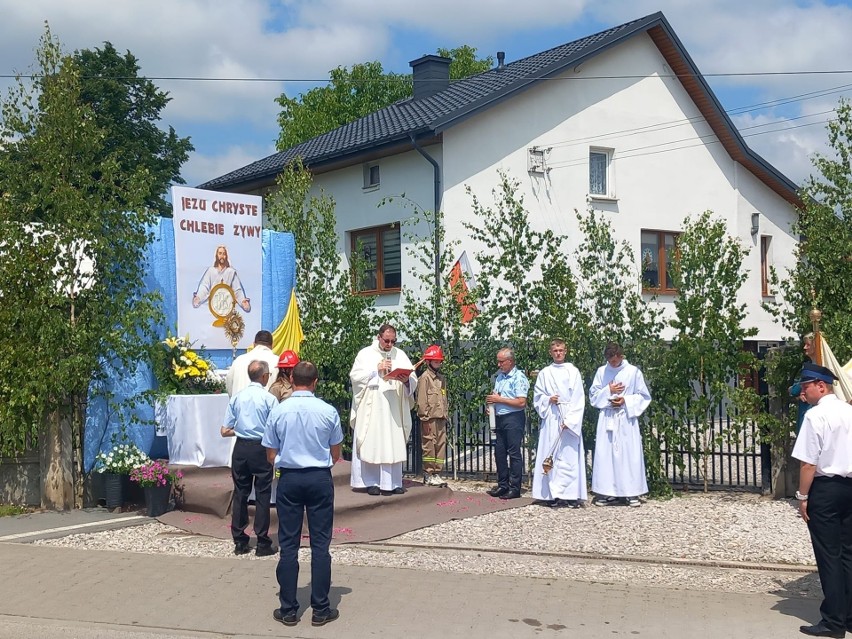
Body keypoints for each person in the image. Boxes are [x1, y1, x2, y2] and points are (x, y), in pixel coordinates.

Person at [263, 361, 343, 628]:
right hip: (319, 477)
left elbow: (270, 453)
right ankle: (320, 607)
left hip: (290, 477)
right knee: (320, 544)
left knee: (288, 543)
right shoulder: (328, 411)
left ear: (292, 379)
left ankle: (288, 609)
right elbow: (336, 453)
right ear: (315, 382)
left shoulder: (279, 410)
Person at [791, 362, 852, 638]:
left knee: (829, 556)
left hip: (826, 489)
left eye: (806, 387)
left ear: (821, 386)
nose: (804, 393)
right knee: (848, 554)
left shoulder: (816, 417)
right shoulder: (849, 411)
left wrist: (803, 497)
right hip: (850, 486)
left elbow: (808, 464)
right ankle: (849, 616)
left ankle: (833, 621)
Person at [349, 323, 417, 495]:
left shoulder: (399, 354)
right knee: (373, 442)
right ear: (379, 337)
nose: (390, 345)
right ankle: (371, 482)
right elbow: (355, 377)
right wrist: (375, 370)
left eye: (393, 341)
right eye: (387, 340)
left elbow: (413, 377)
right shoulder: (365, 354)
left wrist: (406, 380)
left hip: (393, 407)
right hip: (372, 407)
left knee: (391, 442)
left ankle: (392, 482)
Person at [220, 360, 277, 557]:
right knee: (262, 494)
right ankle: (262, 541)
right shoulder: (269, 399)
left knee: (241, 493)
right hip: (261, 447)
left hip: (241, 446)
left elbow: (224, 430)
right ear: (263, 376)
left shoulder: (237, 398)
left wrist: (242, 429)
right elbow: (275, 427)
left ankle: (239, 540)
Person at [589, 342, 651, 507]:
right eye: (610, 362)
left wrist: (625, 401)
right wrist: (608, 390)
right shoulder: (602, 372)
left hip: (625, 419)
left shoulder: (633, 372)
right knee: (606, 456)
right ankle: (607, 492)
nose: (612, 365)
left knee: (628, 456)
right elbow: (593, 396)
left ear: (621, 356)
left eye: (615, 361)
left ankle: (631, 493)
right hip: (608, 417)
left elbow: (644, 396)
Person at [532, 339, 586, 508]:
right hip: (552, 417)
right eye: (555, 350)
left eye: (561, 350)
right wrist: (548, 399)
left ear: (566, 351)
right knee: (552, 455)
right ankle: (553, 494)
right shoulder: (545, 373)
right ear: (550, 352)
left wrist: (570, 420)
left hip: (568, 419)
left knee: (569, 457)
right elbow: (537, 396)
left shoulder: (573, 371)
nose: (558, 353)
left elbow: (579, 398)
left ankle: (570, 495)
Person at [486, 348, 530, 500]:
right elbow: (496, 396)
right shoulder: (499, 378)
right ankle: (502, 484)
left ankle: (515, 487)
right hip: (499, 417)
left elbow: (521, 402)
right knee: (499, 452)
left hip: (513, 418)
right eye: (498, 361)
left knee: (514, 453)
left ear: (510, 361)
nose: (499, 365)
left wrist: (500, 400)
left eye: (501, 362)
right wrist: (492, 407)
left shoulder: (519, 377)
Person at [416, 345, 449, 487]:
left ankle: (437, 473)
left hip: (441, 417)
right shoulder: (425, 378)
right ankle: (428, 474)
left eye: (440, 361)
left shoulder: (441, 379)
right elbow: (422, 400)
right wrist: (424, 419)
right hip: (429, 419)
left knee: (440, 445)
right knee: (429, 445)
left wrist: (446, 414)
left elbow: (444, 398)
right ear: (428, 362)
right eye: (436, 361)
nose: (439, 364)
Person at [192, 244, 251, 312]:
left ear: (226, 256)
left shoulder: (231, 272)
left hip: (226, 307)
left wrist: (243, 302)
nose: (222, 256)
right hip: (212, 306)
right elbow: (204, 286)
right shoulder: (211, 271)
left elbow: (237, 290)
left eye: (224, 254)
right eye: (220, 253)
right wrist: (198, 298)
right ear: (217, 255)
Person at [226, 330, 279, 397]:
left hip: (239, 404)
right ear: (272, 345)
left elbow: (229, 383)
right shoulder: (277, 361)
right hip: (266, 405)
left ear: (254, 344)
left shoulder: (239, 360)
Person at [790, 333, 817, 435]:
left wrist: (796, 389)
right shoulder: (808, 365)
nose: (805, 347)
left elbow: (795, 389)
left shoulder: (818, 368)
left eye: (808, 345)